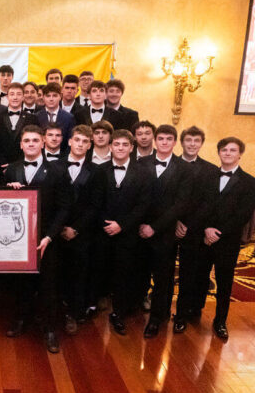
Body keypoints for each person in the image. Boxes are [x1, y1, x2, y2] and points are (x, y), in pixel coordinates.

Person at [3, 126, 71, 353]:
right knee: (21, 283)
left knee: (49, 285)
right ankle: (21, 319)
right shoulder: (11, 170)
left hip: (47, 240)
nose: (31, 144)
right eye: (26, 141)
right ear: (20, 144)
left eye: (35, 140)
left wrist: (49, 237)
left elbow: (64, 208)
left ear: (43, 143)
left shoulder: (58, 170)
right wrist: (8, 191)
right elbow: (0, 206)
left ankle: (50, 329)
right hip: (18, 240)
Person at [180, 137, 255, 339]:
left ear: (240, 154)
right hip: (203, 237)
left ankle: (220, 320)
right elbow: (198, 205)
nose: (228, 153)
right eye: (224, 150)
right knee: (198, 276)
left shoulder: (249, 182)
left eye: (232, 150)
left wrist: (218, 231)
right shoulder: (206, 176)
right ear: (219, 153)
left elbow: (243, 214)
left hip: (227, 240)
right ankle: (193, 310)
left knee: (224, 281)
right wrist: (206, 229)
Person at [93, 129, 151, 335]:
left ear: (131, 148)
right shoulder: (100, 171)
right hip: (103, 230)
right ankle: (95, 306)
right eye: (116, 145)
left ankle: (118, 312)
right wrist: (105, 224)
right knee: (100, 267)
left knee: (124, 272)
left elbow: (144, 205)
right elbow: (95, 202)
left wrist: (123, 225)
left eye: (124, 145)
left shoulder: (143, 173)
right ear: (110, 147)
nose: (120, 148)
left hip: (128, 233)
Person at [139, 125, 192, 339]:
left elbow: (180, 204)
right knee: (139, 271)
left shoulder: (184, 168)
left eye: (168, 139)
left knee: (163, 277)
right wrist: (142, 225)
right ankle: (135, 307)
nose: (163, 142)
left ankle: (157, 318)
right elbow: (137, 196)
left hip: (165, 232)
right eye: (160, 138)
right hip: (141, 228)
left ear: (174, 142)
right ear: (155, 140)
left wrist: (155, 227)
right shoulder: (141, 163)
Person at [56, 125, 104, 334]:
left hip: (82, 233)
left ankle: (73, 314)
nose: (80, 144)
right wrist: (57, 228)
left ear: (90, 145)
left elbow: (96, 205)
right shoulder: (54, 166)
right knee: (56, 275)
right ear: (69, 142)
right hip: (56, 231)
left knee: (78, 275)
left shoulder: (97, 172)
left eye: (85, 141)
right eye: (77, 140)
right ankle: (53, 313)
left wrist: (75, 229)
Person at [174, 126, 218, 333]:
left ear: (201, 143)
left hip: (195, 229)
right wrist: (175, 221)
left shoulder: (210, 170)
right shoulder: (171, 164)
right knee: (165, 271)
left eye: (196, 140)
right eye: (188, 140)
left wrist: (188, 224)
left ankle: (185, 312)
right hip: (169, 226)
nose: (192, 144)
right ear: (182, 142)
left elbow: (209, 203)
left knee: (190, 273)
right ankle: (164, 308)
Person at [0, 82, 39, 183]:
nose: (15, 97)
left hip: (23, 168)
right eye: (12, 94)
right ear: (7, 97)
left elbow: (34, 143)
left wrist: (16, 165)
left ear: (23, 97)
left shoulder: (33, 118)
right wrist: (2, 163)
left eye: (18, 94)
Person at [36, 83, 76, 149]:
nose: (51, 99)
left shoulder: (69, 118)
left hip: (62, 156)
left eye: (54, 96)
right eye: (48, 96)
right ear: (43, 97)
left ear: (60, 97)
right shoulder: (36, 117)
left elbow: (70, 141)